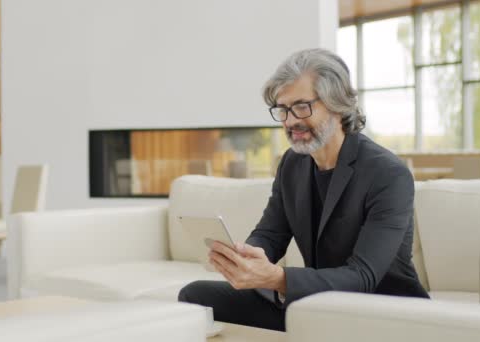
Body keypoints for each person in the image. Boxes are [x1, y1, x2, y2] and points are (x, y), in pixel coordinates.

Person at [178, 48, 429, 332]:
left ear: (337, 104)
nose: (290, 121)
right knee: (196, 294)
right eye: (283, 110)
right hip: (315, 302)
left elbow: (363, 276)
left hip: (378, 308)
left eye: (301, 106)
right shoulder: (293, 163)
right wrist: (248, 257)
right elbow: (271, 233)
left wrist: (276, 278)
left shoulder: (388, 174)